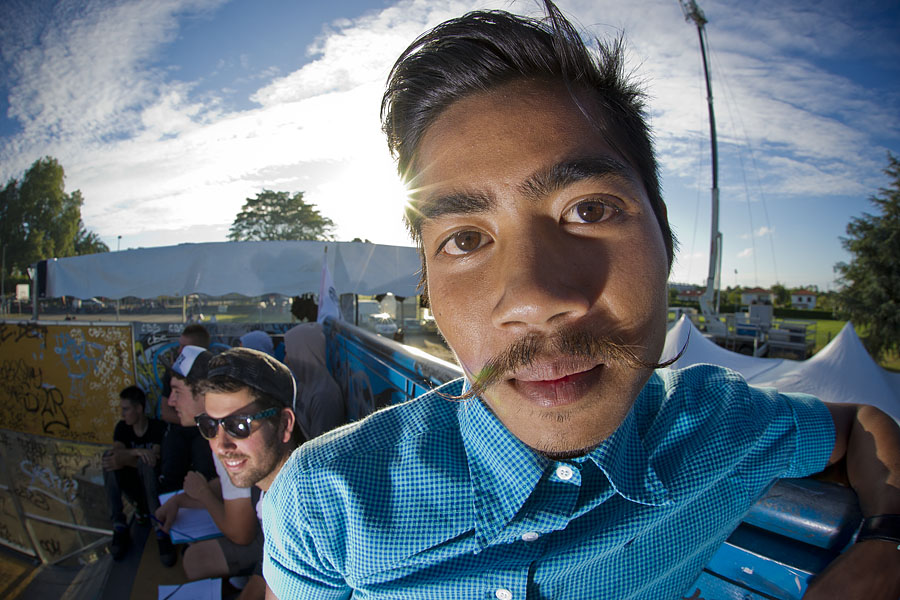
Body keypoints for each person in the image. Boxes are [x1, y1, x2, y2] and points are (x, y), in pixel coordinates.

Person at [261, 3, 900, 599]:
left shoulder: (713, 426)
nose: (535, 300)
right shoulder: (324, 507)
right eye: (465, 239)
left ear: (665, 236)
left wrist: (885, 546)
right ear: (428, 287)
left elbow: (861, 426)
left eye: (589, 210)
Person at [190, 347, 302, 599]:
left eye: (239, 425)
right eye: (210, 426)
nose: (221, 445)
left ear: (284, 424)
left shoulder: (301, 514)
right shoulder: (268, 485)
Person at [157, 344, 262, 579]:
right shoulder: (226, 422)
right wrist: (179, 501)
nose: (171, 402)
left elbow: (242, 534)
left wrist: (203, 493)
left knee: (195, 560)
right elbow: (230, 487)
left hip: (276, 541)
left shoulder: (227, 440)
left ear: (204, 393)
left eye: (177, 392)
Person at [102, 385, 166, 560]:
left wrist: (127, 459)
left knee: (147, 464)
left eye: (126, 409)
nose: (123, 414)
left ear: (138, 408)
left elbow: (154, 458)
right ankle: (119, 525)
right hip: (133, 486)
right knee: (108, 459)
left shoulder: (156, 427)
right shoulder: (122, 428)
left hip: (154, 489)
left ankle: (159, 528)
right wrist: (137, 452)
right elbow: (115, 455)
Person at [283, 322, 344, 439]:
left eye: (288, 353)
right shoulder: (306, 385)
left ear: (301, 353)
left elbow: (322, 444)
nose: (286, 360)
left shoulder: (324, 396)